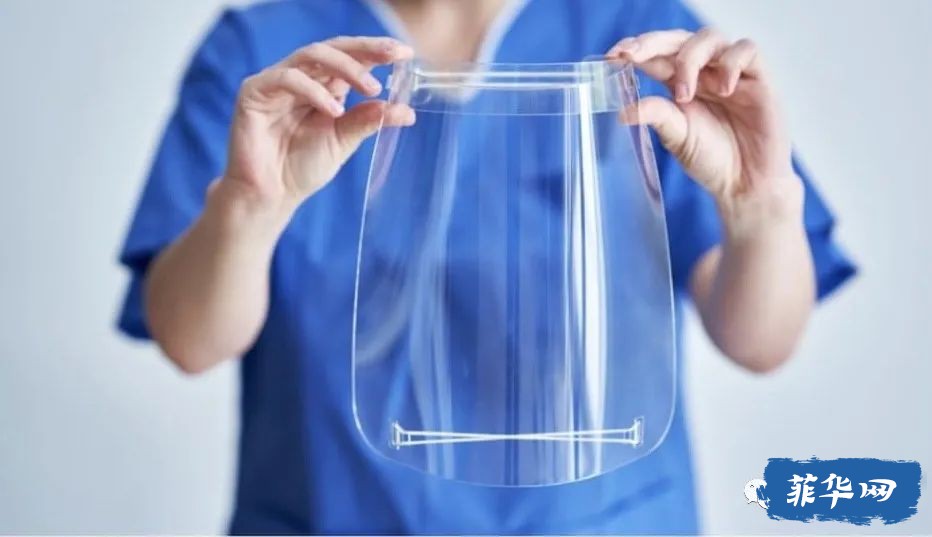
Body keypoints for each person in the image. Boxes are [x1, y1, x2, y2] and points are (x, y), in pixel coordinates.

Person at [117, 0, 856, 533]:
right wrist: (250, 204)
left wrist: (759, 205)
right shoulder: (266, 51)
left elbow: (760, 340)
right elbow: (191, 340)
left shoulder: (639, 41)